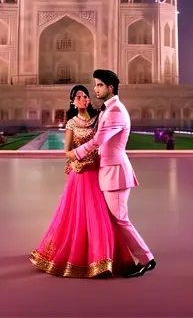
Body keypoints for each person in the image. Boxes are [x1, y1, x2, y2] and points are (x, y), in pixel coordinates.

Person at [29, 85, 135, 278]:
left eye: (85, 96)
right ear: (73, 101)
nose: (83, 99)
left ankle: (103, 261)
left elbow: (105, 140)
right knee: (77, 217)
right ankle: (81, 258)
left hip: (96, 172)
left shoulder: (98, 121)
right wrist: (81, 157)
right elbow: (67, 151)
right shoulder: (71, 124)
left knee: (100, 216)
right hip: (80, 174)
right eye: (78, 97)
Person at [66, 70, 156, 278]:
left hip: (115, 172)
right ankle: (110, 258)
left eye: (98, 85)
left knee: (120, 219)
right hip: (109, 172)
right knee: (112, 219)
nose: (95, 89)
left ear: (110, 88)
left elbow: (99, 140)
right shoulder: (109, 109)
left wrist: (76, 153)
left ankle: (146, 259)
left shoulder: (115, 111)